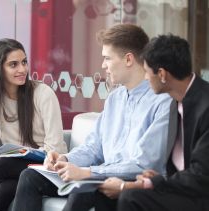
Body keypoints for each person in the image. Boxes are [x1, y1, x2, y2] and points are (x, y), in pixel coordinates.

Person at [12, 24, 172, 211]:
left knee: (83, 189)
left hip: (130, 185)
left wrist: (87, 173)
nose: (103, 65)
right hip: (99, 176)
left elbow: (143, 164)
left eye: (107, 58)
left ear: (128, 59)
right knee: (29, 177)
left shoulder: (162, 102)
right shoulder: (114, 98)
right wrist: (65, 159)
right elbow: (94, 148)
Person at [0, 38, 67, 211]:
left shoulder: (43, 94)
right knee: (4, 190)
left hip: (48, 165)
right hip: (17, 169)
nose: (22, 69)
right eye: (13, 65)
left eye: (24, 62)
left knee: (1, 164)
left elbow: (55, 147)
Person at [117, 35, 209, 211]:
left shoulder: (206, 106)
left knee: (130, 197)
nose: (145, 78)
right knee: (104, 195)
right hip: (182, 189)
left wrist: (156, 182)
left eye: (146, 72)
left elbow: (202, 175)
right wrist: (158, 179)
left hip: (202, 196)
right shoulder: (175, 101)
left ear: (162, 74)